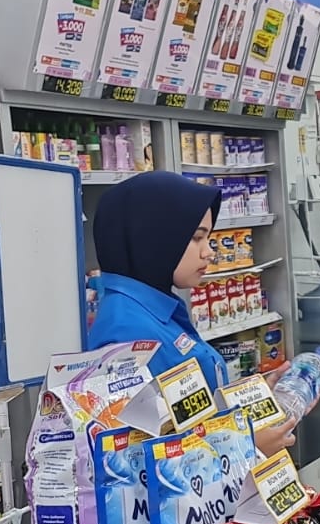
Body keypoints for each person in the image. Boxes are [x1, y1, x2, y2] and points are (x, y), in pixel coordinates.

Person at [90, 172, 297, 456]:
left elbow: (188, 420)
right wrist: (247, 447)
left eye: (208, 238)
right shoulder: (124, 332)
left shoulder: (157, 310)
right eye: (197, 238)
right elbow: (139, 460)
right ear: (152, 237)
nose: (208, 252)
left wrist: (249, 401)